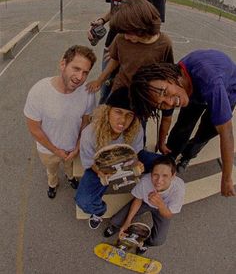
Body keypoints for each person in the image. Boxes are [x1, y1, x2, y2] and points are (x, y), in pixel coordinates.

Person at [130, 49, 236, 197]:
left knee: (205, 133)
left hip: (226, 90)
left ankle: (188, 155)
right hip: (194, 92)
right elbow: (166, 115)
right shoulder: (177, 84)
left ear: (170, 76)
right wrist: (162, 143)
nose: (169, 102)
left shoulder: (210, 81)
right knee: (182, 127)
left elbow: (227, 134)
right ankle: (170, 159)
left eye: (164, 92)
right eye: (161, 105)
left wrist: (226, 178)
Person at [87, 0, 166, 103]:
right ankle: (104, 126)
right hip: (112, 47)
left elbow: (156, 25)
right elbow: (114, 9)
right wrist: (101, 21)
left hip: (138, 51)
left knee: (134, 95)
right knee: (106, 91)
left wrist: (139, 45)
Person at [24, 45, 97, 199]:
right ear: (63, 64)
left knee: (69, 167)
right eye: (76, 68)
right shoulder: (39, 92)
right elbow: (34, 129)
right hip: (48, 150)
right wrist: (56, 150)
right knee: (51, 170)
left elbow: (86, 122)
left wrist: (77, 146)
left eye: (85, 72)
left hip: (73, 148)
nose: (80, 77)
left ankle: (70, 178)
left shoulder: (87, 93)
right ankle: (52, 184)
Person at [75, 87, 148, 230]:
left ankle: (154, 189)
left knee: (162, 163)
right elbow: (89, 162)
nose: (123, 120)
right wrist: (101, 172)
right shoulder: (89, 134)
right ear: (107, 111)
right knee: (83, 201)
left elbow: (136, 153)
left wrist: (137, 163)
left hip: (126, 161)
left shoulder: (136, 128)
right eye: (118, 112)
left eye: (129, 115)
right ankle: (98, 212)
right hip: (100, 168)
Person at [86, 0, 173, 94]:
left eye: (129, 33)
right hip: (120, 88)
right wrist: (99, 80)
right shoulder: (121, 37)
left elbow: (167, 71)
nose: (126, 37)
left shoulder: (164, 43)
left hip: (145, 94)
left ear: (143, 27)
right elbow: (115, 60)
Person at [104, 155, 185, 255]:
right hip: (145, 202)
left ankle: (144, 243)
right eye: (155, 175)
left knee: (158, 240)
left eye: (165, 176)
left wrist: (160, 204)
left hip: (163, 209)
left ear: (173, 176)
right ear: (151, 173)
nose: (159, 181)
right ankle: (116, 227)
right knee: (116, 220)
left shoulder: (179, 189)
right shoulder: (145, 181)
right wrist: (127, 221)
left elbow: (169, 215)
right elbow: (138, 200)